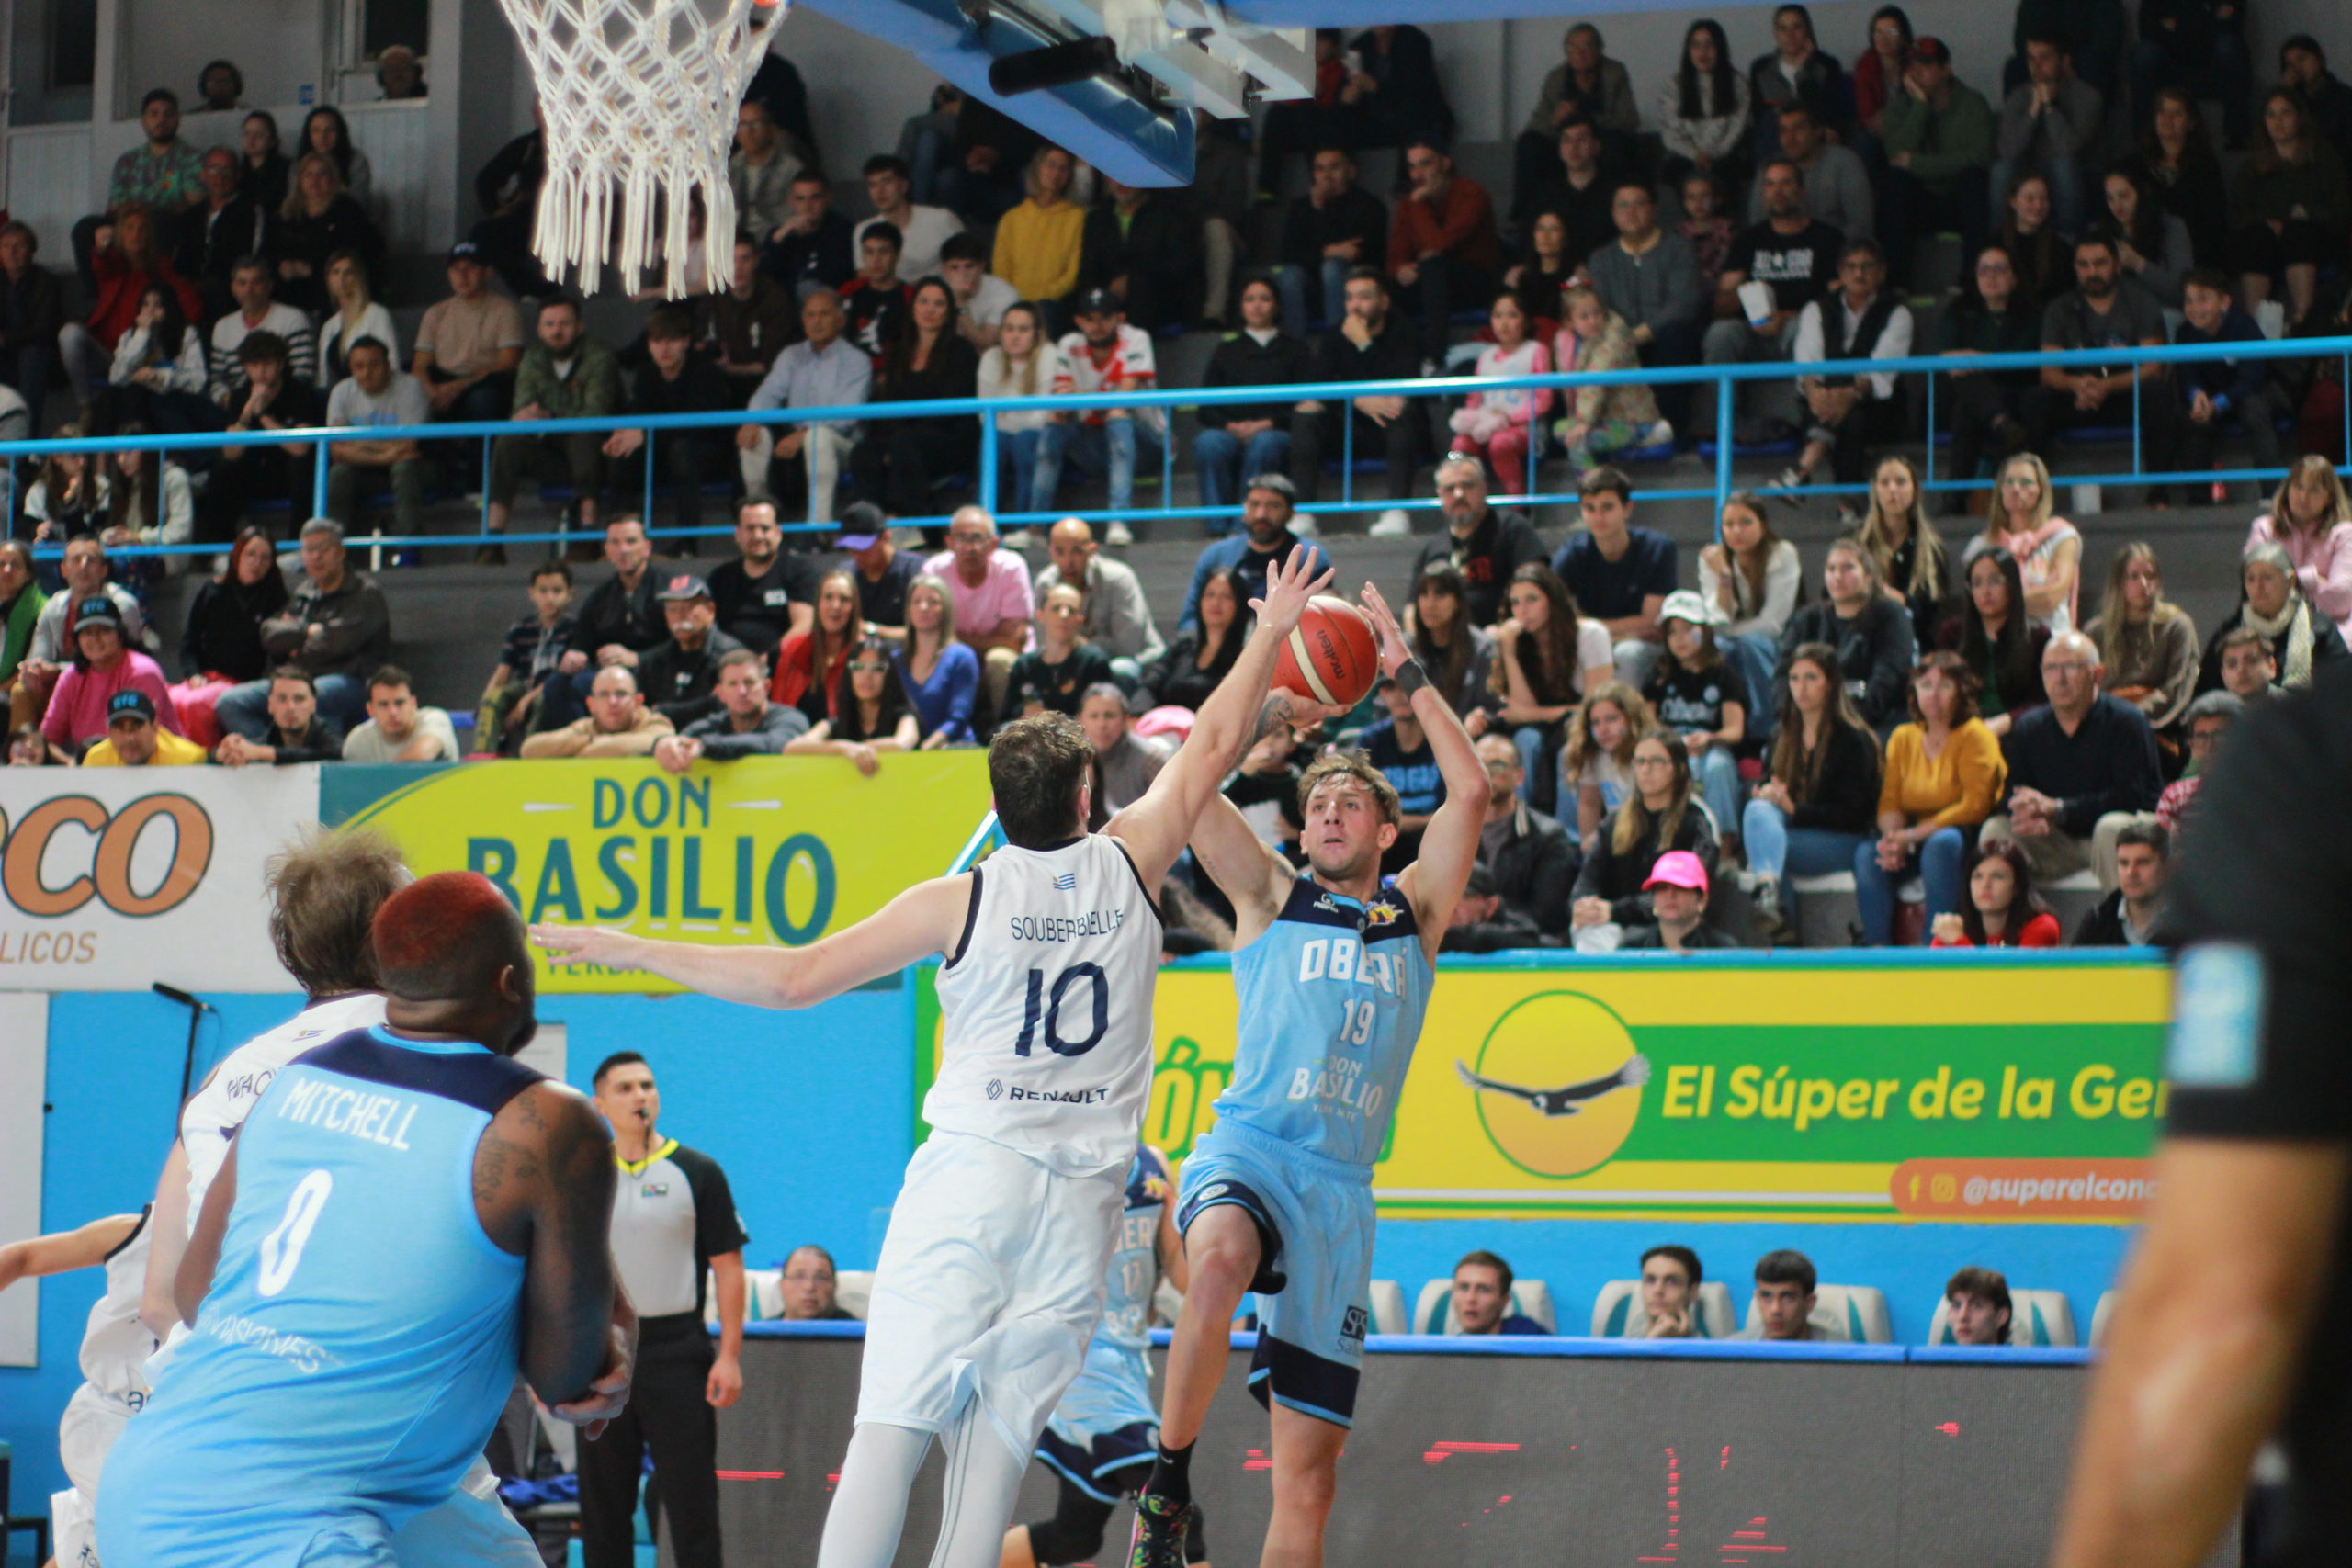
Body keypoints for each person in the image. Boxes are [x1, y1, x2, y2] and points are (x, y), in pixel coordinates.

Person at [543, 549, 1340, 1568]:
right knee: (990, 1459)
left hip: (972, 1180)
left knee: (889, 1439)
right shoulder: (1133, 860)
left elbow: (792, 979)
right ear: (1087, 798)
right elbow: (1218, 739)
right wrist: (1268, 629)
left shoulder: (956, 901)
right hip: (1082, 1208)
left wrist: (627, 947)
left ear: (1000, 806)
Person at [97, 870, 623, 1568]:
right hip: (294, 1520)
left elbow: (195, 1293)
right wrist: (611, 1341)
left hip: (155, 1473)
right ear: (510, 981)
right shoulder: (544, 1122)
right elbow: (568, 1379)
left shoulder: (292, 1076)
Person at [1130, 577, 1483, 1568]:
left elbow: (1473, 792)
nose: (1328, 813)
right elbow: (1183, 783)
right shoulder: (1267, 892)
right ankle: (1166, 1486)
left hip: (1339, 1192)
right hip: (1248, 1147)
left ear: (1383, 832)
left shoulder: (1413, 914)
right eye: (1317, 802)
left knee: (1310, 1479)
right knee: (1220, 1266)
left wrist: (1406, 672)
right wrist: (1264, 718)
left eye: (1349, 804)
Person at [577, 1052, 746, 1568]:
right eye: (625, 1088)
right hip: (600, 1355)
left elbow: (729, 1268)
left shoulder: (697, 1171)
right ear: (599, 1103)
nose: (640, 1096)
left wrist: (729, 1357)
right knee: (604, 1510)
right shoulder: (578, 1175)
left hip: (678, 1352)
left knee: (692, 1505)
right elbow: (556, 1272)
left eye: (647, 1086)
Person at [1000, 1143, 1200, 1568]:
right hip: (1081, 1359)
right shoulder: (1059, 1152)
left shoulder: (1153, 1161)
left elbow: (1186, 1280)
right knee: (1174, 1509)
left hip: (1126, 1360)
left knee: (1075, 1538)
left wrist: (1196, 1221)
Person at [0, 1207, 152, 1568]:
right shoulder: (137, 1231)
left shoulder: (263, 1245)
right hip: (112, 1420)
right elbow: (21, 1256)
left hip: (182, 1430)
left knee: (82, 1550)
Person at [1982, 630, 2163, 892]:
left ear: (2097, 674)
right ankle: (2011, 931)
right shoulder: (2029, 728)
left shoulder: (2127, 722)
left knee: (2109, 827)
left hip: (2116, 840)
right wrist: (2025, 811)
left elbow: (2132, 797)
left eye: (2071, 667)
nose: (2060, 678)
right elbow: (2013, 791)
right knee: (1996, 830)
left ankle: (2122, 929)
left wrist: (2058, 808)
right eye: (2051, 669)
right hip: (2057, 842)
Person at [1859, 652, 2007, 945]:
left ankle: (1934, 947)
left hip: (1963, 836)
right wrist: (1893, 841)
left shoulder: (1976, 735)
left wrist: (1911, 835)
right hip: (1913, 836)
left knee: (1941, 845)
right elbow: (1890, 801)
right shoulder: (1903, 736)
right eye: (1925, 685)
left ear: (1961, 692)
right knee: (1867, 854)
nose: (1933, 695)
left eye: (1944, 686)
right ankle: (1875, 950)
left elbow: (1974, 806)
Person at [1744, 642, 1883, 939]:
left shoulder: (1854, 739)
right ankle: (1770, 899)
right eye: (1794, 678)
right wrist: (1768, 794)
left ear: (1830, 684)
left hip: (1843, 839)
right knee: (1758, 812)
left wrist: (1794, 809)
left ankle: (1784, 935)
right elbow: (1771, 787)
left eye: (1811, 678)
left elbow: (1855, 816)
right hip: (1793, 832)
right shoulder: (1781, 734)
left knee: (1767, 846)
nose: (1801, 688)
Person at [2022, 237, 2180, 496]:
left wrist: (2106, 386)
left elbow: (2153, 367)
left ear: (2117, 266)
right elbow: (2048, 372)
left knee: (2159, 394)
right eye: (2083, 265)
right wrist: (2077, 385)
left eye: (2100, 263)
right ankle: (2036, 496)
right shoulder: (2059, 308)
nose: (2092, 272)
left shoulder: (2140, 301)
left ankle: (2159, 493)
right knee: (2034, 400)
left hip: (2125, 394)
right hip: (2078, 398)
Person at [1700, 161, 1842, 442]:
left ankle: (1813, 418)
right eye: (1770, 184)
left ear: (1801, 191)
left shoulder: (1827, 238)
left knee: (1805, 326)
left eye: (1786, 183)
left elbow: (1838, 300)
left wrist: (1787, 316)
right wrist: (1749, 305)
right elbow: (1721, 304)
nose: (1778, 191)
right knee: (1720, 333)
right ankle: (1730, 425)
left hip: (1800, 331)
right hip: (1754, 334)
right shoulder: (1749, 240)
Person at [1778, 240, 1914, 502]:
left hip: (1880, 409)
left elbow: (1881, 371)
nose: (1858, 274)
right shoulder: (1816, 309)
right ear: (1840, 273)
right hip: (1822, 405)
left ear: (1882, 272)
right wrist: (1815, 394)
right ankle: (1848, 506)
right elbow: (1808, 366)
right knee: (1849, 419)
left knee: (1852, 412)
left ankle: (1803, 469)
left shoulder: (1898, 313)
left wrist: (1847, 395)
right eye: (1851, 267)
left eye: (1866, 267)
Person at [1289, 267, 1424, 528]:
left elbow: (1403, 381)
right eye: (1350, 298)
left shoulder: (1404, 331)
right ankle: (1303, 513)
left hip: (1389, 427)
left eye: (1364, 298)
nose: (1355, 306)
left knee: (1401, 409)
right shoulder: (1336, 333)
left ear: (1383, 302)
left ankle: (1397, 512)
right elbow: (1318, 383)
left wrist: (1364, 344)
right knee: (1306, 413)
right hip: (1347, 428)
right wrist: (1356, 400)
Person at [486, 296, 620, 547]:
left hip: (598, 456)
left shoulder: (599, 356)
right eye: (549, 325)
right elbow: (523, 411)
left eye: (564, 324)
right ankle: (492, 538)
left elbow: (595, 413)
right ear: (538, 329)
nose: (556, 331)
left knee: (583, 437)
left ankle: (587, 533)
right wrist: (530, 418)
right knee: (509, 440)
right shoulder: (532, 358)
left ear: (579, 326)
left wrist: (549, 417)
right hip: (551, 455)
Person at [849, 276, 979, 526]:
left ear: (948, 312)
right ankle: (864, 524)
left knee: (903, 444)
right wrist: (892, 445)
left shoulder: (961, 350)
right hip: (905, 439)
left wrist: (899, 443)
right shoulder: (899, 352)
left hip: (950, 438)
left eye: (939, 304)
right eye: (924, 302)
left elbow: (950, 410)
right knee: (863, 452)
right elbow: (891, 406)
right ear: (913, 308)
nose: (930, 310)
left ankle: (906, 522)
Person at [1571, 730, 1722, 943]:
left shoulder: (1696, 823)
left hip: (1670, 928)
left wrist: (1615, 911)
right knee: (1588, 932)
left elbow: (1689, 894)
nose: (1646, 769)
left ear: (1678, 769)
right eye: (1640, 761)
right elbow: (1587, 880)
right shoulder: (1614, 822)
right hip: (1611, 924)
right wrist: (1583, 906)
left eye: (1657, 761)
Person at [739, 288, 871, 522]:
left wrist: (804, 435)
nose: (816, 322)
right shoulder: (791, 355)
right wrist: (752, 420)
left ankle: (817, 529)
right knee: (754, 434)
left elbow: (844, 419)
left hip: (842, 445)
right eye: (810, 315)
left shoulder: (857, 360)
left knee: (817, 438)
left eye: (824, 314)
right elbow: (768, 393)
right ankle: (757, 519)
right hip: (794, 440)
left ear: (840, 320)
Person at [1038, 288, 1162, 536]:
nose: (1098, 325)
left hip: (1147, 445)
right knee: (1055, 420)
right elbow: (1062, 401)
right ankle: (1034, 526)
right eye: (1090, 318)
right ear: (1079, 321)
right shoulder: (1068, 344)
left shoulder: (1136, 338)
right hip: (1095, 447)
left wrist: (1080, 395)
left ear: (1120, 318)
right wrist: (1074, 401)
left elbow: (1123, 399)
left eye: (1105, 317)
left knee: (1117, 417)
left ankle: (1118, 521)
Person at [1491, 563, 1613, 815]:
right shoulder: (1518, 641)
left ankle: (1568, 836)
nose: (1522, 611)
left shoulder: (1590, 635)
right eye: (1515, 603)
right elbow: (1521, 709)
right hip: (1542, 730)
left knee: (1570, 746)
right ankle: (1523, 825)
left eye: (1532, 600)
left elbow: (1597, 707)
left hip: (1583, 726)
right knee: (1525, 740)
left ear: (1552, 600)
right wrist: (1509, 653)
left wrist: (1530, 716)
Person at [1940, 246, 2053, 512]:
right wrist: (1986, 360)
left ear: (2014, 277)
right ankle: (2003, 427)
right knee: (1965, 395)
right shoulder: (1957, 313)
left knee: (1969, 406)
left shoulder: (2033, 315)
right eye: (1984, 270)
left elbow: (2023, 360)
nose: (1992, 277)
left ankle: (1954, 501)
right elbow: (1948, 360)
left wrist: (1977, 358)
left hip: (2015, 393)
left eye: (2000, 269)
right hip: (1973, 395)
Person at [1194, 276, 1313, 524]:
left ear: (1277, 306)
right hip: (1231, 431)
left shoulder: (1295, 349)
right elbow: (1205, 407)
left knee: (1265, 444)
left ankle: (1246, 525)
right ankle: (1215, 526)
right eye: (1249, 299)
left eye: (1264, 299)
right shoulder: (1225, 351)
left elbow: (1304, 406)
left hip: (1275, 430)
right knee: (1208, 443)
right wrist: (1231, 426)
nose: (1256, 305)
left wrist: (1266, 424)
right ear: (1241, 307)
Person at [1879, 37, 1995, 288]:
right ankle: (1896, 285)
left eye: (1926, 64)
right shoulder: (1900, 107)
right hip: (1921, 202)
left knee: (1975, 180)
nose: (1916, 71)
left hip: (1959, 200)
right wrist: (1920, 107)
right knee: (1894, 183)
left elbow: (1978, 158)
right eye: (1912, 65)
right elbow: (1895, 155)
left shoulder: (1972, 103)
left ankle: (1972, 283)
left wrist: (1916, 164)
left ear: (1946, 69)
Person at [59, 205, 202, 408]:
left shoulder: (161, 270)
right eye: (129, 228)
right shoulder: (112, 265)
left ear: (150, 236)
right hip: (107, 354)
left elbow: (192, 308)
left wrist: (166, 319)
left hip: (144, 358)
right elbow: (101, 265)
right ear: (119, 233)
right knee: (70, 334)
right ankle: (86, 406)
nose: (135, 234)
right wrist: (100, 248)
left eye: (142, 229)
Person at [2230, 88, 2350, 325]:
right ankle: (2255, 325)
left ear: (2299, 117)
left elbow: (2342, 210)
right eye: (2271, 115)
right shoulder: (2251, 166)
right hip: (2267, 242)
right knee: (2255, 238)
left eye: (2285, 113)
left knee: (2298, 233)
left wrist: (2306, 215)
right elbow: (2237, 215)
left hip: (2317, 239)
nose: (2278, 121)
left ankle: (2303, 318)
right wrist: (2267, 223)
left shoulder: (2324, 157)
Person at [537, 515, 669, 730]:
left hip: (652, 671)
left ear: (647, 548)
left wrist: (636, 658)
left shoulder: (668, 589)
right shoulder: (600, 597)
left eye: (631, 541)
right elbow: (581, 643)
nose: (623, 549)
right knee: (558, 684)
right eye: (615, 543)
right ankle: (583, 745)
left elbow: (680, 645)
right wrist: (574, 655)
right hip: (608, 674)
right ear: (607, 550)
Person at [1776, 537, 1916, 734]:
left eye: (1848, 568)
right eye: (1831, 569)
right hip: (1810, 720)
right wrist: (1796, 717)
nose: (1838, 576)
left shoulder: (1890, 615)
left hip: (1875, 720)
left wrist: (1840, 724)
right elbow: (1782, 675)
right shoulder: (1807, 619)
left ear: (1868, 576)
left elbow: (1887, 678)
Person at [1553, 467, 1674, 690]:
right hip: (1590, 642)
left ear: (1627, 509)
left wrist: (1595, 630)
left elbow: (1650, 621)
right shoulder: (1569, 555)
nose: (1598, 517)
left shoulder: (1657, 548)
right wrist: (1622, 632)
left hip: (1642, 645)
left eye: (1607, 507)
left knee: (1627, 655)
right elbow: (1564, 621)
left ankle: (1628, 724)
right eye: (1590, 508)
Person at [2172, 273, 2284, 503]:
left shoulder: (2244, 326)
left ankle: (2273, 495)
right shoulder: (2185, 332)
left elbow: (2253, 378)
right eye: (2189, 301)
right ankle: (2198, 501)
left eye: (2203, 299)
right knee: (2191, 419)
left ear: (2225, 302)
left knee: (2253, 409)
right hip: (2211, 400)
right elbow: (2186, 373)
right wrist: (2197, 395)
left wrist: (2219, 402)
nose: (2195, 308)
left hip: (2252, 393)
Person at [198, 331, 322, 542]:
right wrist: (248, 412)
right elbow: (231, 452)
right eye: (254, 365)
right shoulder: (240, 396)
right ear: (245, 367)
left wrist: (263, 414)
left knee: (303, 468)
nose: (261, 371)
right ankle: (219, 549)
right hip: (256, 472)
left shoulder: (300, 392)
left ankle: (297, 545)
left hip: (289, 472)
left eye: (267, 364)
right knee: (223, 471)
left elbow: (301, 448)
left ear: (281, 363)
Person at [1582, 184, 1702, 399]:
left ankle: (1668, 428)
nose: (1631, 212)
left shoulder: (1679, 248)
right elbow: (1602, 308)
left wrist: (1641, 334)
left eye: (1639, 204)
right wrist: (1623, 339)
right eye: (1623, 206)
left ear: (1654, 209)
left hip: (1667, 341)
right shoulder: (1601, 258)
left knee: (1676, 335)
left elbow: (1683, 304)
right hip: (1620, 341)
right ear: (1613, 213)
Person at [1387, 139, 1500, 365]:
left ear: (1445, 163)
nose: (1417, 174)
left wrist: (1419, 204)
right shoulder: (1407, 204)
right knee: (1381, 288)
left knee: (1433, 266)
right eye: (1412, 167)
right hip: (1430, 283)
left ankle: (1435, 357)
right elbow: (1394, 256)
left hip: (1474, 282)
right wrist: (1400, 270)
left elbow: (1440, 244)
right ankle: (1396, 363)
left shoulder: (1471, 194)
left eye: (1425, 164)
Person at [1176, 472, 1331, 636]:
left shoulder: (1309, 558)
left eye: (1273, 506)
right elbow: (1189, 620)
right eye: (1254, 504)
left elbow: (1320, 624)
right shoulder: (1216, 556)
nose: (1261, 514)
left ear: (1290, 513)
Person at [1645, 591, 1747, 840]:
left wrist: (1709, 738)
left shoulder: (1723, 673)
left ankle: (1723, 849)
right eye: (1672, 632)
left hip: (1710, 746)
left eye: (1688, 629)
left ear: (1705, 631)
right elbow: (1646, 723)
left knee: (1718, 766)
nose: (1680, 639)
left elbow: (1735, 730)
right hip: (1668, 746)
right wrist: (1670, 741)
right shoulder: (1658, 673)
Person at [1699, 492, 1803, 729]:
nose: (1737, 531)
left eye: (1745, 523)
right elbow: (1717, 620)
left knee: (1750, 644)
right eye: (1729, 524)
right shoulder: (1712, 559)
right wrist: (1724, 576)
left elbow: (1772, 625)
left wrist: (1727, 631)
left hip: (1779, 642)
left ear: (1763, 526)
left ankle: (1767, 729)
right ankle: (1720, 727)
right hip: (1737, 640)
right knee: (1719, 649)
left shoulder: (1782, 553)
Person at [925, 504, 1035, 720]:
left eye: (977, 538)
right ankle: (940, 735)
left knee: (999, 659)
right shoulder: (934, 571)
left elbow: (1012, 642)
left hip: (1008, 659)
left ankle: (1008, 733)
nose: (969, 547)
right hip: (953, 657)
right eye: (961, 538)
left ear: (993, 544)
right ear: (948, 543)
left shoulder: (1011, 568)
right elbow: (930, 634)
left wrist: (955, 640)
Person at [1412, 457, 1544, 631]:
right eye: (1450, 488)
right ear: (1440, 494)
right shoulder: (1433, 547)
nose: (1459, 494)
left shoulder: (1513, 529)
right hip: (1449, 648)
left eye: (1467, 486)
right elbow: (1411, 608)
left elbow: (1536, 589)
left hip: (1504, 639)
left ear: (1484, 488)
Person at [2195, 542, 2348, 693]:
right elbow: (2207, 692)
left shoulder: (2319, 628)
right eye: (2251, 579)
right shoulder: (2229, 632)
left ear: (2291, 581)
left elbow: (2343, 687)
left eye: (2267, 578)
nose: (2258, 587)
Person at [322, 335, 434, 545]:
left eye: (374, 364)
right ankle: (332, 547)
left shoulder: (411, 387)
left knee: (404, 467)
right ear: (351, 369)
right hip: (367, 471)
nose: (367, 372)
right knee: (338, 473)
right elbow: (337, 450)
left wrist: (358, 444)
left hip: (418, 467)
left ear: (388, 365)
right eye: (359, 366)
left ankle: (411, 548)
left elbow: (408, 446)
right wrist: (385, 455)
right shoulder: (341, 392)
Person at [40, 595, 179, 760]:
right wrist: (72, 766)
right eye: (88, 632)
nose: (96, 639)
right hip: (91, 769)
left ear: (120, 634)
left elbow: (144, 740)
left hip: (153, 765)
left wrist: (92, 766)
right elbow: (46, 740)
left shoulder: (142, 672)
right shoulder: (70, 676)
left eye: (104, 631)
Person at [1467, 731, 1575, 939]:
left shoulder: (1548, 836)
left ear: (1519, 776)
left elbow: (1547, 914)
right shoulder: (1454, 835)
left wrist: (1486, 926)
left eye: (1497, 765)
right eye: (1479, 765)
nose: (1487, 773)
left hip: (1525, 947)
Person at [1034, 516, 1163, 684]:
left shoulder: (1119, 578)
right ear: (1050, 552)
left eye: (1077, 551)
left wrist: (1075, 644)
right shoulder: (1046, 583)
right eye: (1059, 552)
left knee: (1119, 669)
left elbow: (1127, 645)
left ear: (1092, 549)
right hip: (1075, 664)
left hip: (1134, 661)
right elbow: (1045, 641)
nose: (1068, 561)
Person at [1994, 34, 2103, 233]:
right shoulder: (2019, 96)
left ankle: (2068, 243)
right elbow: (2008, 151)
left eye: (2044, 57)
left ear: (2064, 60)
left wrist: (2050, 109)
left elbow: (2068, 148)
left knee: (2064, 165)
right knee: (2002, 168)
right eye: (2031, 58)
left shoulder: (2086, 96)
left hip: (2075, 172)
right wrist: (2032, 112)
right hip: (2029, 170)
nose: (2037, 66)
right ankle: (2000, 244)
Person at [2089, 542, 2199, 740]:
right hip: (2104, 728)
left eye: (2150, 576)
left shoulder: (2176, 627)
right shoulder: (2096, 632)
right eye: (2134, 576)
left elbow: (2177, 688)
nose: (2144, 583)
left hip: (2158, 730)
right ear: (2119, 583)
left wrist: (2131, 718)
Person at [1446, 288, 1550, 496]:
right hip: (1486, 426)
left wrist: (1508, 418)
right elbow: (1474, 399)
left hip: (1524, 428)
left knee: (1500, 443)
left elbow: (1543, 399)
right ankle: (1466, 497)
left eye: (1512, 316)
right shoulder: (1486, 356)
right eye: (1497, 316)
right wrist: (1471, 420)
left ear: (1526, 321)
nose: (1504, 323)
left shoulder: (1536, 351)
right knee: (1459, 445)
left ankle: (1517, 501)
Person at [1272, 147, 1387, 333]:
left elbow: (1360, 251)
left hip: (1351, 281)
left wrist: (1325, 252)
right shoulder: (1301, 207)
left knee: (1332, 268)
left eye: (1334, 167)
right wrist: (1327, 248)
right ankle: (1297, 349)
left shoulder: (1368, 205)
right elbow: (1289, 254)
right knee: (1288, 275)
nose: (1326, 175)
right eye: (1320, 169)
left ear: (1350, 171)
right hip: (1311, 284)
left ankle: (1339, 340)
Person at [1967, 452, 2082, 635]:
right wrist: (2029, 598)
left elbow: (2050, 598)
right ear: (2000, 490)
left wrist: (1999, 599)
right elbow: (1975, 606)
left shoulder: (2062, 536)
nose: (2016, 488)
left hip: (2050, 639)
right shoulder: (1980, 545)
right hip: (2001, 641)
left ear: (2041, 490)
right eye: (2009, 482)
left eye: (2025, 482)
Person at [413, 242, 525, 425]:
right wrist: (430, 390)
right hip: (442, 380)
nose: (462, 276)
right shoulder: (436, 312)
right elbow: (420, 365)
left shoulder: (504, 310)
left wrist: (459, 386)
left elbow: (508, 363)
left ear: (487, 272)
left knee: (484, 400)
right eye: (456, 269)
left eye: (470, 268)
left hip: (482, 383)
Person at [1077, 178, 1201, 335]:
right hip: (1108, 300)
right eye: (1115, 176)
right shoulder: (1097, 218)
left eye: (1128, 176)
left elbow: (1182, 265)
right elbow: (1088, 269)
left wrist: (1132, 281)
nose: (1122, 182)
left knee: (1140, 288)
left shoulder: (1168, 214)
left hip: (1160, 301)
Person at [2247, 456, 2352, 640]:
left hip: (2333, 637)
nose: (2304, 497)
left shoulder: (2345, 534)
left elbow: (2341, 599)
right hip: (2271, 632)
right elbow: (2256, 593)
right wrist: (2314, 579)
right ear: (2287, 489)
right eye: (2298, 487)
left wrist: (2288, 581)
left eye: (2314, 490)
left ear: (2329, 497)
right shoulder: (2263, 529)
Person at [478, 560, 579, 750]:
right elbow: (503, 672)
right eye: (543, 591)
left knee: (543, 699)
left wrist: (525, 702)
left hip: (554, 690)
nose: (549, 598)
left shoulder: (575, 628)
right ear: (531, 593)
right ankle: (482, 755)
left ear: (570, 594)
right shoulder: (520, 628)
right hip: (523, 685)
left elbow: (560, 676)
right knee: (494, 698)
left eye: (557, 591)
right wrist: (485, 701)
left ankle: (531, 753)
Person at [654, 647, 808, 771]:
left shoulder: (790, 718)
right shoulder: (715, 723)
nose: (742, 691)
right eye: (733, 684)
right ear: (720, 693)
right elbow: (686, 738)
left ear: (766, 687)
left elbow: (776, 743)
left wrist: (705, 746)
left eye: (749, 682)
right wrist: (666, 742)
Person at [1851, 457, 1948, 649]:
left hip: (1916, 641)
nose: (1893, 490)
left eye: (1901, 482)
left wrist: (1902, 601)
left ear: (1915, 489)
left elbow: (1934, 610)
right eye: (1884, 483)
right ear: (1875, 490)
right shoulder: (1855, 542)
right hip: (1862, 639)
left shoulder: (1932, 548)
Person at [274, 152, 382, 315]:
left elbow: (355, 254)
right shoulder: (288, 213)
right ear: (299, 180)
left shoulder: (347, 210)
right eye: (308, 175)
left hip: (332, 292)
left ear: (333, 179)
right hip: (291, 292)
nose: (314, 181)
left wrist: (310, 269)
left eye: (321, 174)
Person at [2135, 87, 2230, 270]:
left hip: (2194, 254)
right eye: (2162, 111)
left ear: (2191, 122)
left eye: (2176, 113)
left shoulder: (2205, 167)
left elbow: (2213, 223)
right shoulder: (2135, 165)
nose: (2167, 119)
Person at [1748, 103, 1872, 241]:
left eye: (1798, 129)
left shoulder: (1845, 162)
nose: (1789, 138)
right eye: (1783, 131)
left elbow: (1861, 226)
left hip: (1833, 253)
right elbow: (1757, 226)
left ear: (1818, 130)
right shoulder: (1770, 168)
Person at [637, 574, 747, 729]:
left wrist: (662, 710)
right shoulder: (655, 660)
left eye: (688, 608)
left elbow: (726, 708)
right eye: (672, 609)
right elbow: (639, 710)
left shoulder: (731, 657)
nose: (679, 616)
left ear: (710, 610)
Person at [1138, 569, 1251, 716]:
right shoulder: (1183, 643)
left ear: (1239, 604)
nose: (1216, 602)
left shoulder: (1245, 656)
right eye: (1210, 595)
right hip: (1164, 730)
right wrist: (1140, 716)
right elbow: (1150, 684)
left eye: (1226, 597)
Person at [1658, 20, 1753, 192]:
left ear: (1720, 49)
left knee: (1731, 171)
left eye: (1709, 45)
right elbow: (1670, 133)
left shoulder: (1737, 84)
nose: (1703, 52)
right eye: (1696, 45)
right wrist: (1695, 156)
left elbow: (1736, 129)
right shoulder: (1673, 85)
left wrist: (1713, 156)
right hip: (1686, 156)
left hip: (1725, 155)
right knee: (1672, 171)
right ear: (1688, 51)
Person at [1747, 4, 1849, 161]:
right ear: (1776, 35)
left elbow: (1829, 111)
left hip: (1815, 136)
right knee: (1770, 122)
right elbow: (1758, 115)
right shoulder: (1761, 69)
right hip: (1774, 136)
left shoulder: (1827, 65)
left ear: (1807, 31)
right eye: (1783, 29)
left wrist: (1804, 71)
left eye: (1797, 27)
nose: (1790, 35)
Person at [207, 254, 317, 397]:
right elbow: (217, 380)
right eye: (242, 283)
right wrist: (233, 403)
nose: (249, 289)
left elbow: (303, 375)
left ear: (269, 285)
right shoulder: (223, 327)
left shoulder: (293, 320)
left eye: (256, 282)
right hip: (237, 408)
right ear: (233, 287)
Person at [707, 234, 799, 402]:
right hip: (721, 384)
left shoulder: (775, 298)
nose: (738, 267)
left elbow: (772, 365)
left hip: (765, 385)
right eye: (732, 260)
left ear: (756, 261)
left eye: (745, 259)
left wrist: (732, 369)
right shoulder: (714, 297)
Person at [991, 147, 1087, 308]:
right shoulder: (1012, 218)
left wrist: (1041, 298)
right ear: (1038, 168)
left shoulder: (1077, 217)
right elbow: (1001, 271)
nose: (1056, 173)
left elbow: (1072, 275)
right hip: (1013, 304)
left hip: (1052, 305)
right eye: (1051, 165)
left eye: (1063, 168)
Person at [1564, 682, 1653, 849]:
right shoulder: (1594, 756)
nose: (1603, 730)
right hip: (1617, 837)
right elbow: (1589, 803)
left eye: (1612, 719)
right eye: (1595, 723)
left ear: (1632, 718)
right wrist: (1588, 846)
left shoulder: (1650, 755)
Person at [2093, 162, 2194, 308]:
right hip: (2119, 317)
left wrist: (2138, 264)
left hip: (2163, 314)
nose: (2117, 206)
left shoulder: (2171, 227)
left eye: (2124, 196)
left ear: (2141, 193)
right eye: (2110, 198)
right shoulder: (2102, 231)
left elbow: (2182, 291)